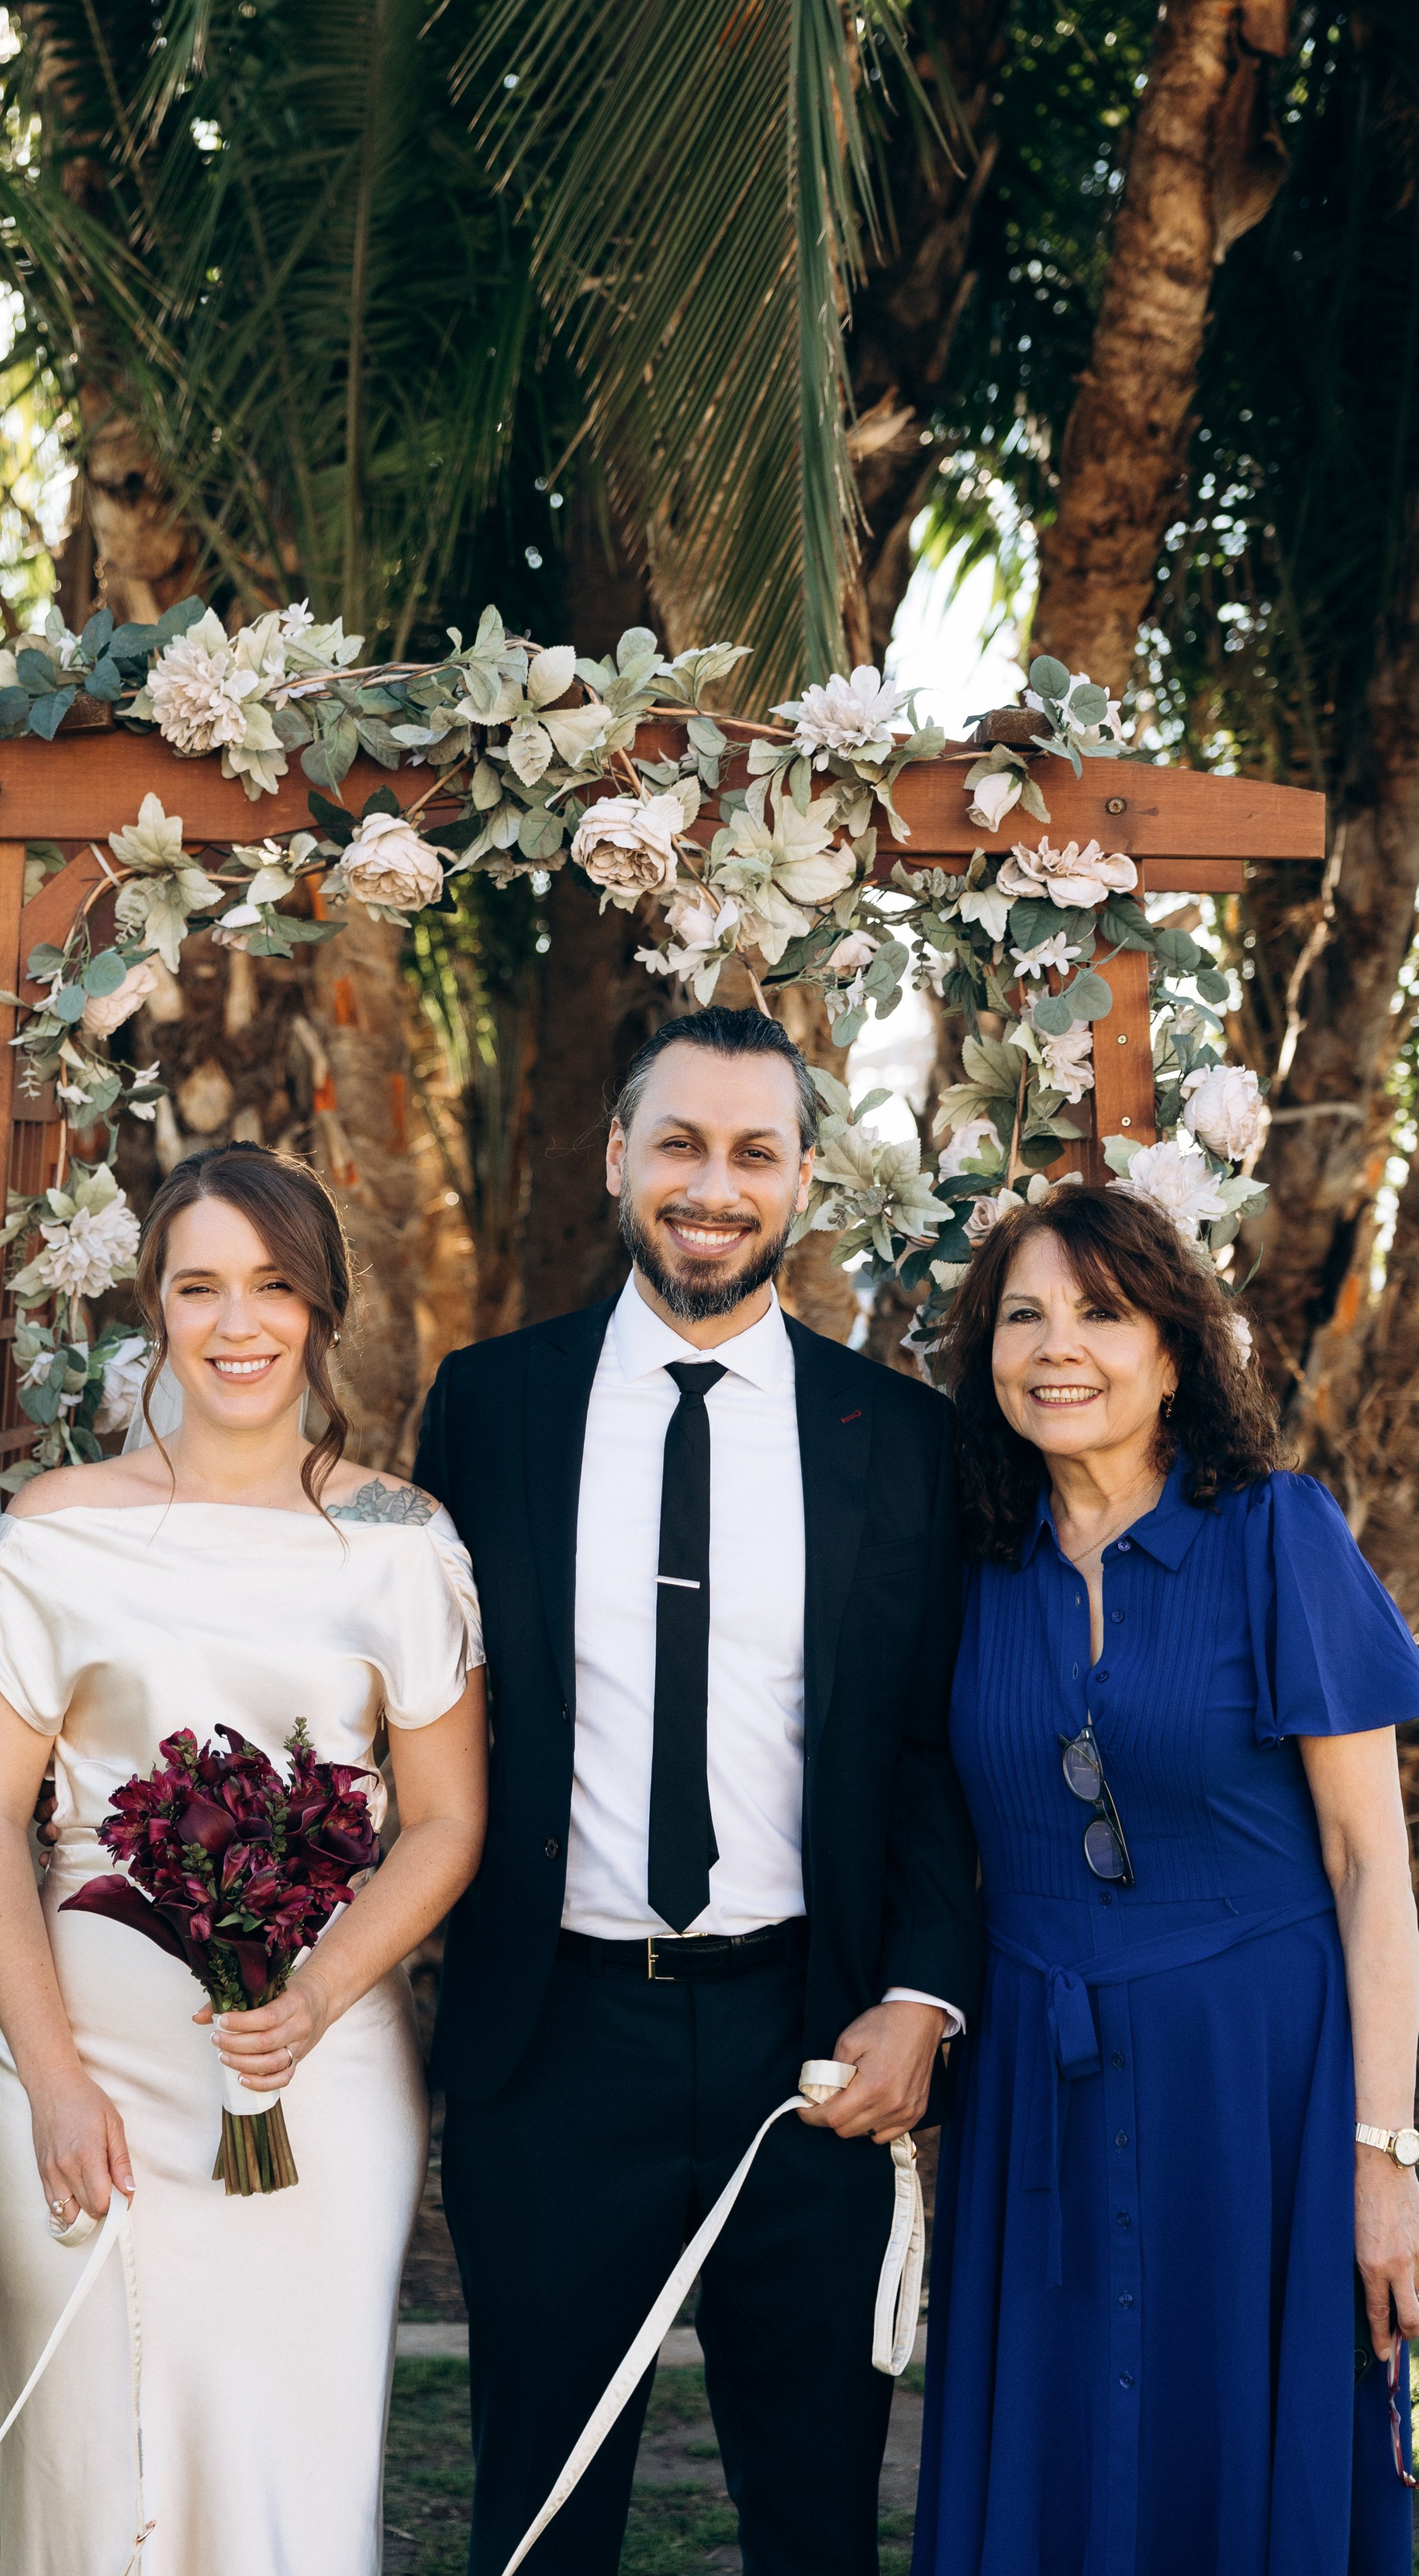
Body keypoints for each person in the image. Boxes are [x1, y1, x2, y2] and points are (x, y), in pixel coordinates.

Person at [412, 1002, 984, 2576]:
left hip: (805, 2040)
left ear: (802, 1179)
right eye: (677, 1143)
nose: (710, 1185)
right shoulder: (487, 1406)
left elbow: (933, 1745)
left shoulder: (903, 1443)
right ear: (616, 1157)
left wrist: (922, 1996)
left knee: (811, 2516)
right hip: (551, 2039)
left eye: (752, 1152)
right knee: (540, 2501)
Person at [0, 1142, 488, 2576]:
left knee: (289, 2469)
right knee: (92, 2467)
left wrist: (316, 1995)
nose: (238, 1324)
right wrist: (51, 2075)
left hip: (322, 2085)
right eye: (200, 1287)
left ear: (321, 1310)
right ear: (156, 1309)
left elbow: (441, 1822)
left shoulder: (401, 1541)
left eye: (274, 1287)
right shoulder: (56, 1534)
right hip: (84, 2090)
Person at [913, 1183, 1419, 2576]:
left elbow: (1371, 1863)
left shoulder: (1277, 1535)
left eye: (1102, 1312)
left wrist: (1387, 2160)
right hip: (1037, 2089)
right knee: (1060, 2450)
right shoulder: (967, 1566)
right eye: (1022, 1315)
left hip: (1258, 2087)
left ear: (1177, 1352)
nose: (1056, 1345)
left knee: (1242, 2437)